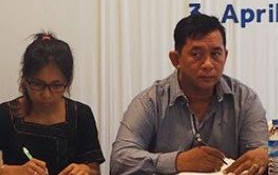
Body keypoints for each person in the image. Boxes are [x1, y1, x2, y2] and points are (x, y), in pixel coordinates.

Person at [110, 13, 268, 175]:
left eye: (215, 54)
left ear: (225, 56)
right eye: (196, 54)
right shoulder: (151, 101)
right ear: (176, 59)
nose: (208, 64)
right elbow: (120, 161)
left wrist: (264, 155)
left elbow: (258, 154)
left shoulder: (244, 99)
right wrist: (177, 162)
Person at [0, 33, 105, 175]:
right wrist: (11, 171)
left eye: (56, 86)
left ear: (67, 82)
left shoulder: (81, 115)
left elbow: (94, 169)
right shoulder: (7, 113)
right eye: (37, 84)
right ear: (25, 79)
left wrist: (84, 170)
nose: (46, 95)